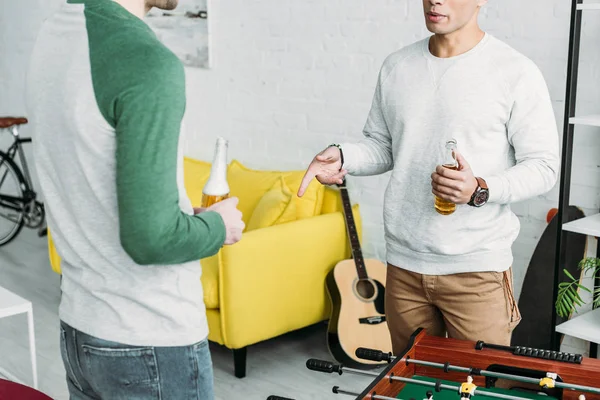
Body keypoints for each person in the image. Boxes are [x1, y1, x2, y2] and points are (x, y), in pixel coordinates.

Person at [298, 0, 559, 354]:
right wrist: (344, 155)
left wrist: (480, 189)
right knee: (412, 382)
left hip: (476, 272)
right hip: (404, 267)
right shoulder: (397, 66)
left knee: (479, 387)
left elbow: (543, 166)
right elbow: (384, 146)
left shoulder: (514, 71)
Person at [26, 0, 244, 398]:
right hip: (151, 340)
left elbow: (94, 183)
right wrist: (219, 226)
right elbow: (151, 239)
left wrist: (185, 218)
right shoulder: (146, 61)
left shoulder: (53, 34)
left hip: (80, 329)